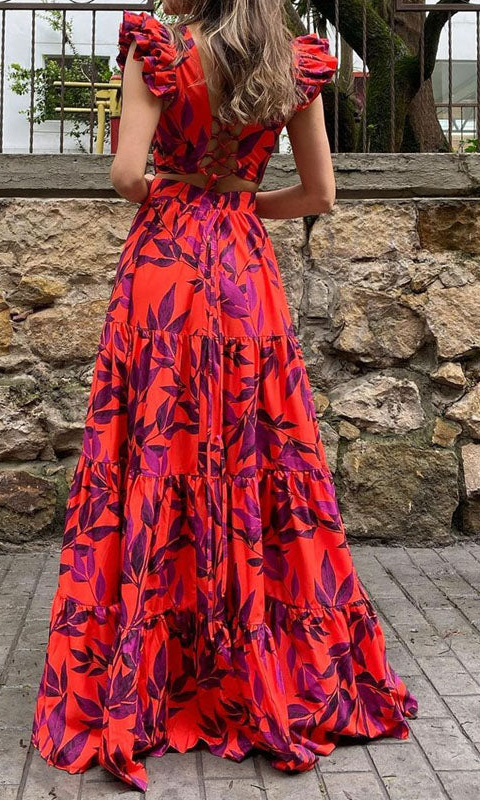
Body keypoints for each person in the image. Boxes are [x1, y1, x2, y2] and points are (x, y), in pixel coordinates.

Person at [30, 0, 418, 790]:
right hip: (245, 273)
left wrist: (178, 195)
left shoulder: (158, 50)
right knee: (259, 448)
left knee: (155, 449)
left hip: (165, 268)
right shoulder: (294, 63)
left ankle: (155, 669)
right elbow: (321, 194)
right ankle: (259, 659)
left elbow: (126, 177)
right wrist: (240, 201)